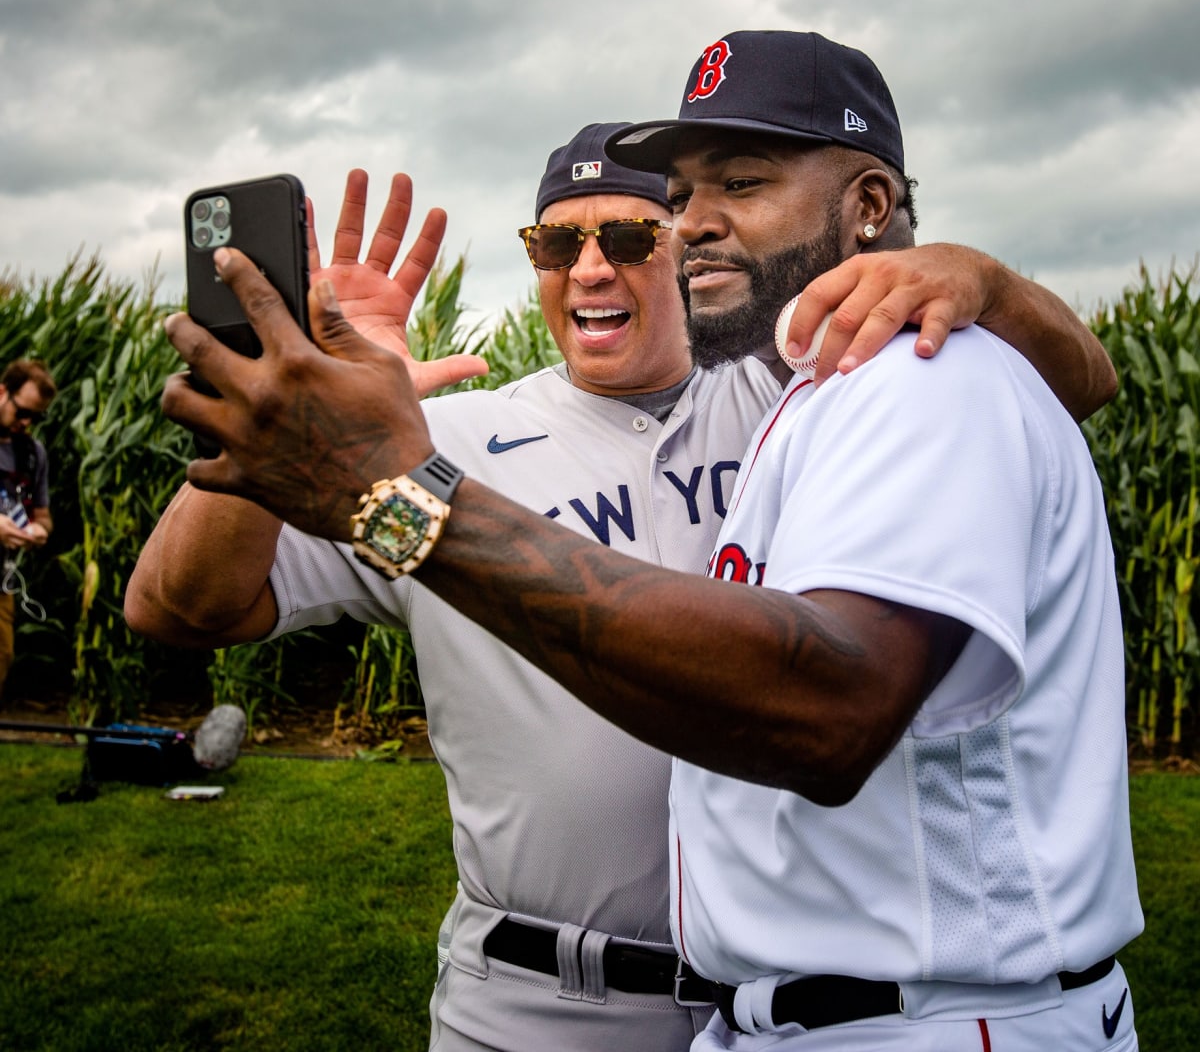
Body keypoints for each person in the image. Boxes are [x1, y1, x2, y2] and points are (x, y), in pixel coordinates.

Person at [129, 96, 1124, 1052]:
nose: (590, 269)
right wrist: (289, 392)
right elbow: (181, 604)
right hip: (537, 998)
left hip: (778, 999)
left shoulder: (792, 400)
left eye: (631, 238)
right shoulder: (429, 449)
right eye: (556, 246)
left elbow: (1069, 385)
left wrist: (980, 279)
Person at [0, 359, 56, 701]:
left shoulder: (32, 455)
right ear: (3, 391)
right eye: (21, 412)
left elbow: (44, 515)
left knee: (2, 660)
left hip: (1, 584)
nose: (26, 423)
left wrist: (38, 531)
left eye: (36, 417)